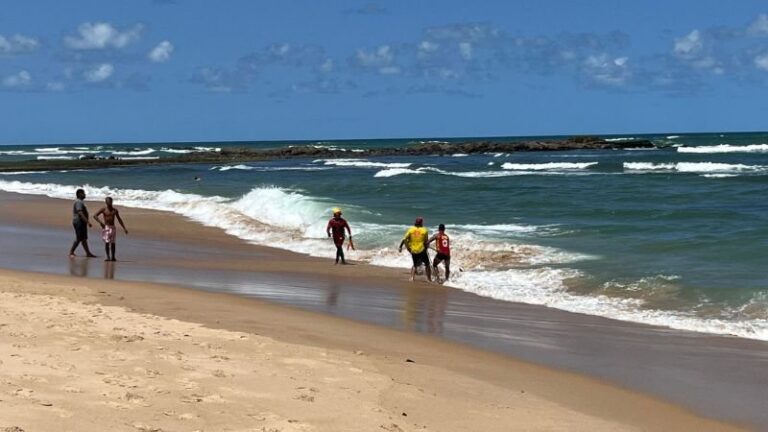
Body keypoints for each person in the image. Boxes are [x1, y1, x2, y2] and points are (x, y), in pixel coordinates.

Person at [93, 197, 129, 261]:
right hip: (106, 227)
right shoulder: (103, 209)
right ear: (106, 202)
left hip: (113, 227)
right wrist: (100, 223)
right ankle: (108, 257)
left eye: (110, 201)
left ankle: (113, 257)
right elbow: (95, 215)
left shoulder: (115, 210)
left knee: (113, 243)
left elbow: (119, 219)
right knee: (107, 242)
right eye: (108, 202)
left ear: (112, 202)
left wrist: (124, 228)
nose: (109, 203)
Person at [399, 217, 432, 282]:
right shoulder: (424, 230)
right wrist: (427, 247)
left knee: (415, 265)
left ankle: (412, 278)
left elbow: (405, 239)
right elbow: (426, 241)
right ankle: (429, 279)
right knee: (427, 264)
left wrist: (407, 247)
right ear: (421, 223)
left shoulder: (411, 230)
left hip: (413, 250)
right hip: (422, 250)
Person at [69, 188, 96, 258]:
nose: (85, 194)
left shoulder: (80, 202)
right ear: (80, 194)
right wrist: (88, 222)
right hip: (79, 222)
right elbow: (80, 213)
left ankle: (88, 253)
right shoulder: (79, 202)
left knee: (84, 239)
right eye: (83, 193)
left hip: (82, 222)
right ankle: (71, 252)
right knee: (79, 238)